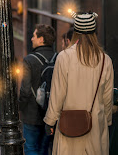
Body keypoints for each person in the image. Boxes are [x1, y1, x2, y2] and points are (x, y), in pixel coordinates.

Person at [44, 12, 114, 154]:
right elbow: (108, 97)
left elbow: (58, 94)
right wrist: (106, 120)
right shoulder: (105, 60)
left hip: (68, 127)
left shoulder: (64, 57)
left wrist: (50, 121)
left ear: (76, 32)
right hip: (95, 126)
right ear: (94, 32)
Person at [18, 24, 56, 155]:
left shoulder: (29, 60)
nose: (31, 39)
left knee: (30, 148)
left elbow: (25, 90)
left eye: (34, 36)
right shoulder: (59, 58)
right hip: (51, 113)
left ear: (41, 39)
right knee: (44, 149)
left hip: (32, 114)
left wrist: (20, 107)